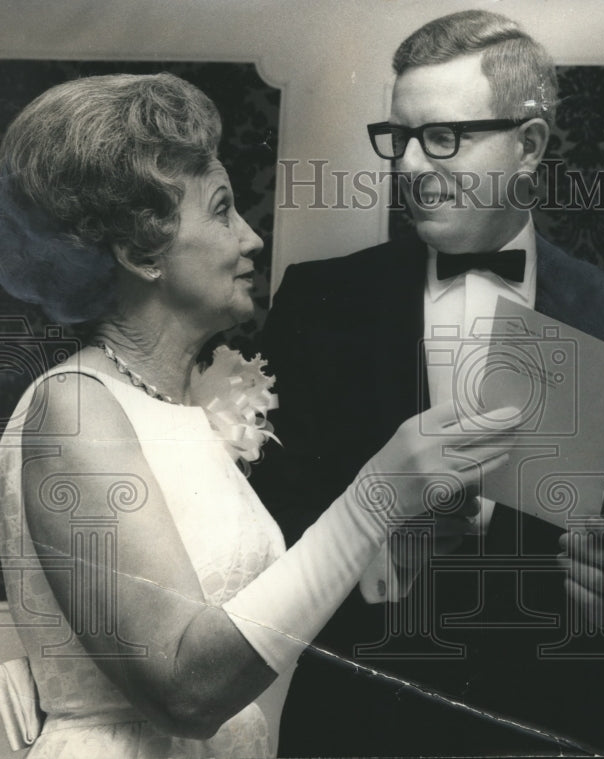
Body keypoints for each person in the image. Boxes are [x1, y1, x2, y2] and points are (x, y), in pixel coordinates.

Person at [0, 72, 516, 758]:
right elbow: (185, 687)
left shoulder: (179, 408)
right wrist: (372, 497)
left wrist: (392, 540)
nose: (250, 237)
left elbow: (243, 617)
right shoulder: (73, 409)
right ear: (139, 251)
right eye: (221, 210)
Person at [250, 8, 604, 756]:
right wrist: (378, 554)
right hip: (353, 726)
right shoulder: (319, 305)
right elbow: (264, 519)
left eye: (443, 138)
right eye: (399, 139)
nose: (408, 166)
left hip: (556, 730)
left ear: (529, 145)